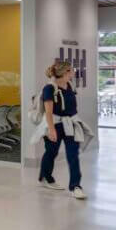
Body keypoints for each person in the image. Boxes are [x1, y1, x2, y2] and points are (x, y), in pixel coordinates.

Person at [39, 60, 85, 199]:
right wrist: (51, 130)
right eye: (72, 70)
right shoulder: (49, 88)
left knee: (73, 154)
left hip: (70, 124)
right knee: (51, 152)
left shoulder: (70, 85)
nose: (74, 72)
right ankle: (46, 178)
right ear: (65, 72)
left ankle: (76, 186)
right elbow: (48, 112)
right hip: (55, 124)